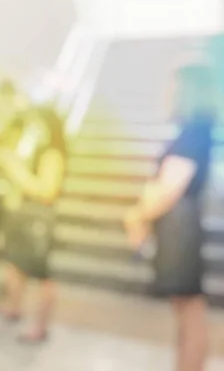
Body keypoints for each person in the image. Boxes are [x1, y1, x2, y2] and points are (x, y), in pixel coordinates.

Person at [124, 64, 216, 371]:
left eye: (173, 87)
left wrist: (137, 216)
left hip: (180, 230)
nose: (168, 94)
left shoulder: (194, 131)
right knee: (185, 307)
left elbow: (169, 188)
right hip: (178, 227)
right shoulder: (193, 130)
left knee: (190, 307)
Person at [0, 106, 66, 342]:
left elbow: (47, 191)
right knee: (15, 265)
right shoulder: (33, 149)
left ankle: (40, 327)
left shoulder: (52, 153)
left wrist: (15, 169)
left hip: (37, 221)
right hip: (22, 216)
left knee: (42, 276)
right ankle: (13, 306)